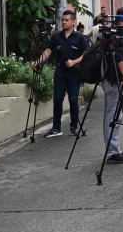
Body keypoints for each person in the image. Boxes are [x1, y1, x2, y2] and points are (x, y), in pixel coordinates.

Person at [35, 9, 90, 138]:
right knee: (58, 100)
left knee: (73, 100)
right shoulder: (56, 36)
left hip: (74, 73)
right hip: (60, 72)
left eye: (67, 20)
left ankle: (74, 127)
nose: (64, 22)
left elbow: (86, 54)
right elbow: (48, 52)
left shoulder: (80, 37)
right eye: (62, 20)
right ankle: (56, 128)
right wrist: (37, 62)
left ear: (73, 21)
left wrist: (74, 62)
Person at [101, 8, 123, 164]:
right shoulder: (120, 34)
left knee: (110, 115)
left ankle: (114, 150)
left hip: (108, 79)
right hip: (114, 79)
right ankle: (113, 152)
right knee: (114, 116)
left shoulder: (111, 31)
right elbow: (119, 56)